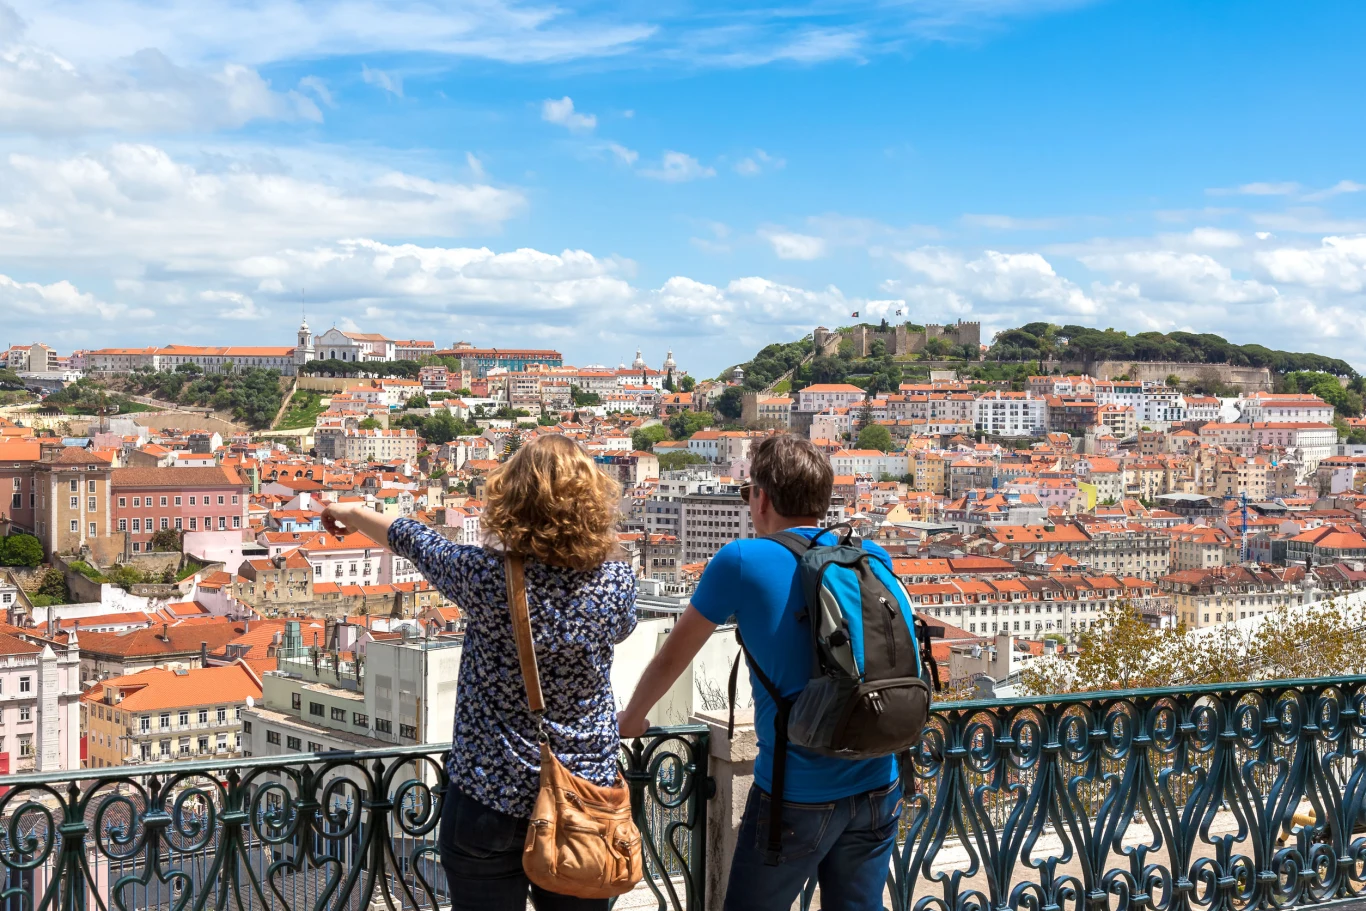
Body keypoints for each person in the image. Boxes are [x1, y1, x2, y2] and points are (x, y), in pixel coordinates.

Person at [322, 434, 637, 911]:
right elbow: (621, 630)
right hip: (584, 800)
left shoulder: (485, 576)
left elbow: (412, 538)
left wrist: (348, 513)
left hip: (490, 794)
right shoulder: (615, 583)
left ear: (511, 499)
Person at [618, 434, 901, 911]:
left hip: (796, 792)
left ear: (761, 497)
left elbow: (673, 655)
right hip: (879, 779)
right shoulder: (869, 555)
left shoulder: (742, 560)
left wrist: (633, 717)